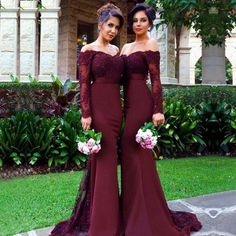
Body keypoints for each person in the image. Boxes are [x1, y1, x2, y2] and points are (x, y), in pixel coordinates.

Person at [120, 3, 202, 236]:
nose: (138, 24)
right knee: (128, 156)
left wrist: (158, 110)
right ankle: (130, 210)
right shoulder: (125, 47)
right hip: (128, 105)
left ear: (150, 23)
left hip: (142, 104)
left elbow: (155, 80)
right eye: (135, 20)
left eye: (143, 20)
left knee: (137, 153)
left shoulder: (151, 44)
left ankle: (147, 214)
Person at [51, 3, 124, 236]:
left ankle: (107, 216)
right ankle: (103, 224)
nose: (113, 30)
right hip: (99, 109)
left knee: (109, 163)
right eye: (110, 25)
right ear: (101, 24)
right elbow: (83, 85)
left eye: (117, 27)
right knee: (105, 163)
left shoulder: (116, 51)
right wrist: (86, 113)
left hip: (116, 110)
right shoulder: (88, 50)